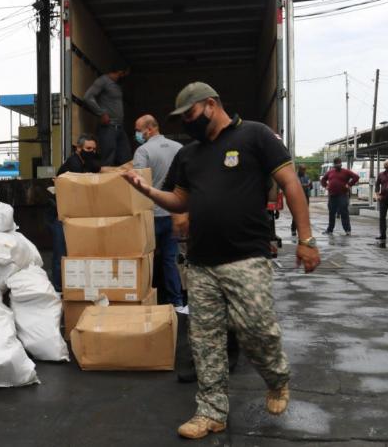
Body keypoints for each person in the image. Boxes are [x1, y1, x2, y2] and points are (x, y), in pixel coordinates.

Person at [122, 82, 320, 440]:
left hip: (246, 257)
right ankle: (211, 411)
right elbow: (180, 201)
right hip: (201, 263)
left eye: (191, 114)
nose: (188, 123)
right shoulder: (189, 154)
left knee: (257, 330)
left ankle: (277, 379)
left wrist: (305, 239)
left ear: (211, 104)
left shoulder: (255, 136)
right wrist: (146, 191)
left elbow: (291, 184)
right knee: (206, 340)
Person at [132, 114, 184, 308]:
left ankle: (145, 299)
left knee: (146, 259)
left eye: (138, 130)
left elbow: (137, 184)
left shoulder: (143, 151)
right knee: (170, 260)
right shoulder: (179, 149)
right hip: (173, 214)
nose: (137, 134)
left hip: (150, 215)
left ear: (150, 129)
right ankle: (177, 302)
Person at [47, 134, 102, 290]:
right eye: (88, 149)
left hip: (73, 213)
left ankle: (73, 287)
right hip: (60, 213)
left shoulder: (87, 162)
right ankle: (58, 289)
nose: (92, 151)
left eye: (94, 149)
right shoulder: (74, 164)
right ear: (78, 149)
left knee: (74, 253)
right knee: (61, 253)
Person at [83, 63, 133, 166]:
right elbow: (88, 97)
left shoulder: (117, 85)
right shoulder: (103, 81)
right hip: (108, 128)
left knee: (126, 159)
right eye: (125, 74)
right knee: (108, 159)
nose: (126, 77)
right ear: (120, 72)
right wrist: (101, 113)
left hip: (120, 128)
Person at [320, 157, 359, 235]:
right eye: (336, 164)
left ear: (341, 164)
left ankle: (347, 230)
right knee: (332, 213)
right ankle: (330, 230)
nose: (337, 165)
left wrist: (349, 184)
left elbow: (356, 177)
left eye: (338, 163)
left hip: (342, 195)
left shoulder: (346, 172)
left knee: (344, 212)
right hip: (332, 196)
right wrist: (326, 186)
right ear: (334, 165)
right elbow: (323, 180)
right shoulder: (330, 172)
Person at [374, 159, 388, 240]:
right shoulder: (381, 174)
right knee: (382, 217)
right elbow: (377, 185)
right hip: (383, 198)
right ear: (384, 166)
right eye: (386, 164)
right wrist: (377, 195)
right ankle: (382, 234)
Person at [290, 165, 312, 236]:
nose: (303, 171)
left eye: (304, 170)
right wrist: (303, 186)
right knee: (297, 213)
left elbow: (310, 186)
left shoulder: (307, 176)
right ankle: (293, 229)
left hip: (306, 197)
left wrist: (310, 185)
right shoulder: (294, 176)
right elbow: (294, 186)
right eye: (302, 169)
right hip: (297, 197)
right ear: (299, 169)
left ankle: (302, 230)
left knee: (305, 214)